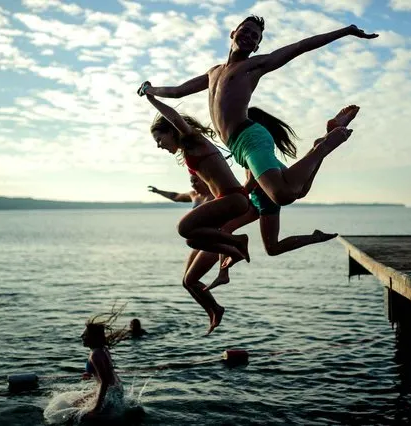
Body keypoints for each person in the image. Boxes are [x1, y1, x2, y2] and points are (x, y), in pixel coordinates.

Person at [139, 16, 377, 206]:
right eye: (246, 30)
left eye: (255, 37)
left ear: (257, 46)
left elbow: (300, 47)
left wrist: (345, 31)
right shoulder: (213, 72)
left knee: (281, 195)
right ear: (233, 33)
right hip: (239, 147)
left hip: (250, 138)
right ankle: (324, 140)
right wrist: (151, 90)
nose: (249, 36)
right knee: (299, 189)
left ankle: (325, 144)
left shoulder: (253, 66)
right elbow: (178, 91)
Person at [186, 106, 357, 292]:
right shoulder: (253, 144)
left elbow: (251, 180)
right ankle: (223, 273)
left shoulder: (251, 145)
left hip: (265, 199)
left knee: (272, 246)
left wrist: (236, 197)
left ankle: (320, 148)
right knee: (300, 190)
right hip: (260, 197)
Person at [144, 93, 256, 334]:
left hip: (233, 199)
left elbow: (172, 115)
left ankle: (237, 242)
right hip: (230, 201)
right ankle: (214, 309)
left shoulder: (192, 141)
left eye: (159, 138)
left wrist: (150, 96)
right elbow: (178, 195)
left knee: (183, 228)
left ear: (172, 131)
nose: (159, 145)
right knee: (191, 241)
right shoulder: (188, 152)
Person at [148, 172, 213, 209]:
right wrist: (158, 191)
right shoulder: (193, 195)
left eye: (195, 181)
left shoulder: (215, 193)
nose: (193, 185)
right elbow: (175, 196)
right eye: (191, 182)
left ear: (204, 180)